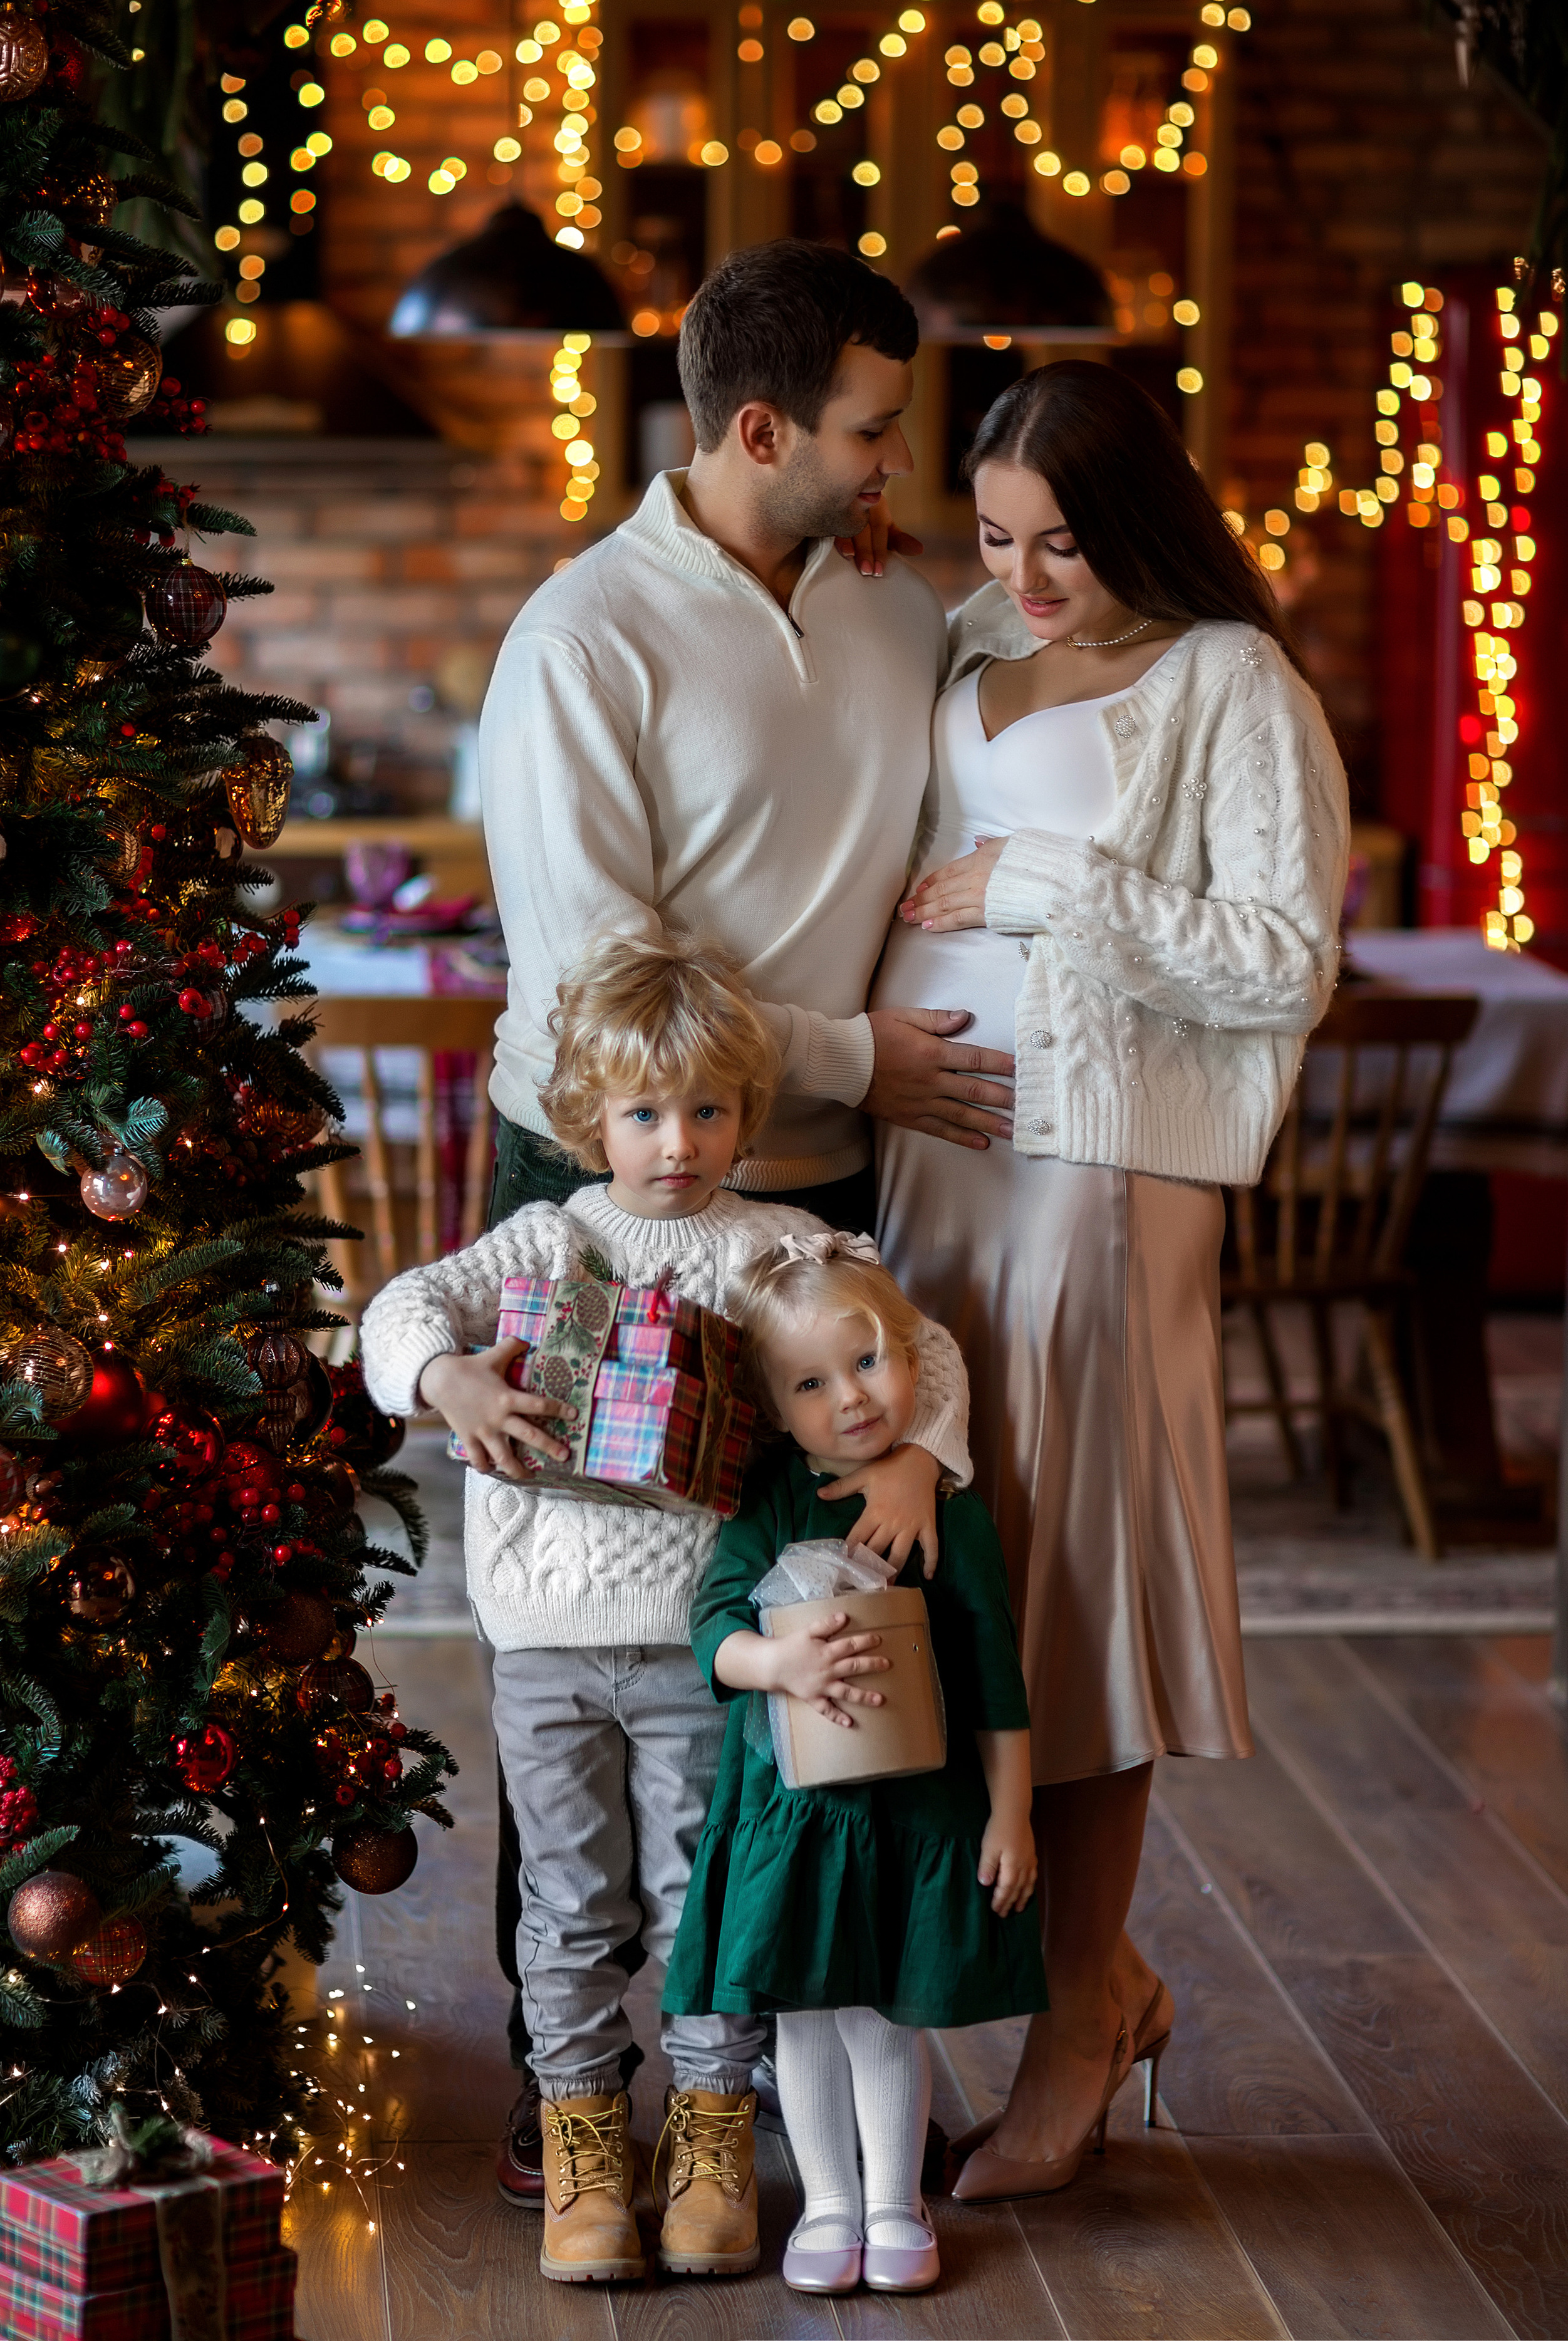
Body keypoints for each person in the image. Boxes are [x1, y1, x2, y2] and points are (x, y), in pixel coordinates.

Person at [475, 236, 1014, 2198]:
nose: (900, 464)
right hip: (610, 1195)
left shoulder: (892, 603)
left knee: (829, 1628)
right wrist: (864, 1053)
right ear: (761, 427)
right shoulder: (583, 639)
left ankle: (806, 2064)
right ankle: (580, 2108)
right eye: (871, 430)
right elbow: (606, 989)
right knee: (598, 1645)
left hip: (824, 1219)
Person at [866, 359, 1350, 2197]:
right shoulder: (965, 632)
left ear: (1137, 513)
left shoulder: (1233, 680)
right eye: (997, 535)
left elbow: (1284, 963)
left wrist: (1044, 882)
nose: (1028, 576)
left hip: (1101, 1179)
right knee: (956, 1571)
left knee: (1079, 1593)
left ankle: (1076, 2029)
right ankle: (1103, 1980)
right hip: (939, 1163)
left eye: (1062, 541)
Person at [359, 931, 972, 2286]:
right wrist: (446, 1381)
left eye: (705, 1109)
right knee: (570, 1901)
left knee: (702, 1891)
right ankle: (584, 2138)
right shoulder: (543, 1237)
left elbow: (915, 1347)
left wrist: (925, 1456)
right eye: (642, 1112)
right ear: (590, 1117)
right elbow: (398, 1308)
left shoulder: (775, 1254)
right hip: (544, 1645)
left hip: (714, 1649)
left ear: (746, 1116)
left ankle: (710, 2127)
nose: (675, 1141)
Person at [665, 1237, 1046, 2295]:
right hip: (793, 1814)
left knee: (883, 2010)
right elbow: (710, 1630)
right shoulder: (771, 1503)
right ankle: (830, 2200)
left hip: (914, 1813)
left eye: (871, 1363)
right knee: (803, 2012)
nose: (852, 1398)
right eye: (814, 1383)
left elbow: (994, 1679)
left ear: (915, 1362)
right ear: (776, 1409)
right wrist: (773, 1660)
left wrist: (1009, 1815)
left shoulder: (946, 1515)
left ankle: (893, 2202)